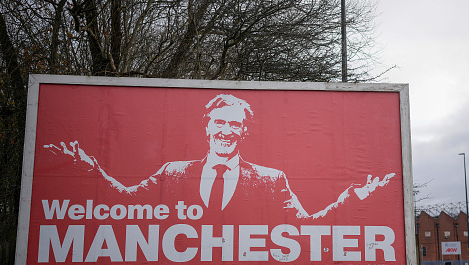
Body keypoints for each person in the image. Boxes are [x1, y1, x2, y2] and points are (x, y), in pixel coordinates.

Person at [44, 94, 395, 222]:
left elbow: (306, 228)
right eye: (220, 122)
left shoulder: (272, 179)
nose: (226, 130)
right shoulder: (175, 172)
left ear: (244, 132)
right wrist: (91, 169)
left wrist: (354, 197)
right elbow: (127, 205)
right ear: (207, 126)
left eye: (235, 125)